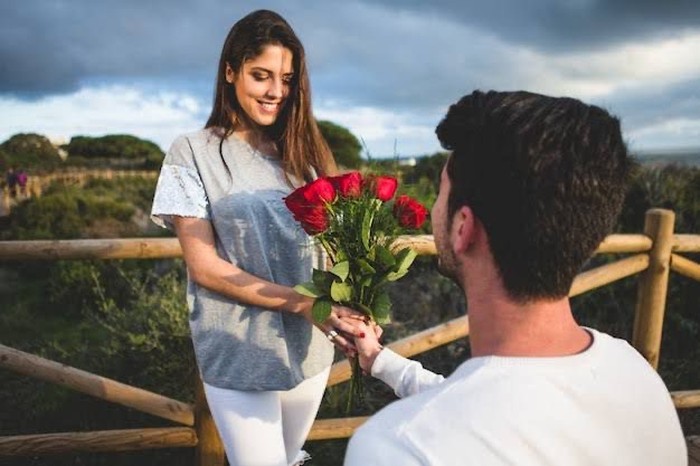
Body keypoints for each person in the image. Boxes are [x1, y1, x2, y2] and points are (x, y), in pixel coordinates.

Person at [343, 90, 688, 465]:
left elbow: (475, 417)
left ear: (463, 228)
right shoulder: (634, 372)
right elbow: (492, 410)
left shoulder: (395, 447)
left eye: (441, 192)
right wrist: (379, 360)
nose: (434, 209)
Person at [150, 10, 364, 466]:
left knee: (288, 458)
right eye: (261, 75)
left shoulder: (305, 154)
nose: (275, 92)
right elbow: (204, 267)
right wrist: (302, 303)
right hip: (238, 348)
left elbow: (332, 248)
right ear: (230, 72)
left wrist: (357, 298)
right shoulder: (192, 151)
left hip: (309, 348)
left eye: (286, 79)